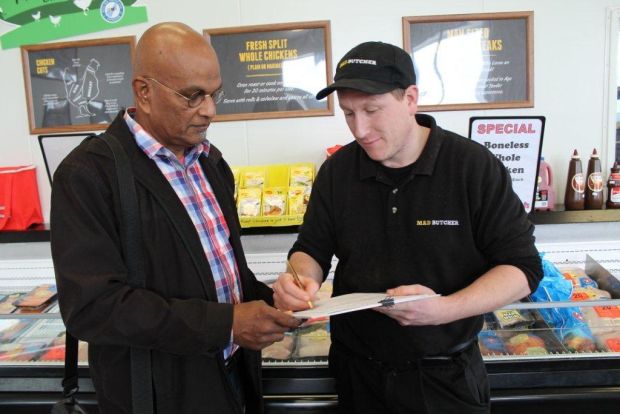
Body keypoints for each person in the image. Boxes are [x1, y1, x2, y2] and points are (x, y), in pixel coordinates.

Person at [272, 41, 543, 414]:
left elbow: (523, 269)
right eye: (349, 113)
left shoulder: (472, 167)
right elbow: (311, 248)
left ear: (411, 99)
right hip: (358, 375)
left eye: (372, 110)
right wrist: (301, 279)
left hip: (445, 378)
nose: (360, 129)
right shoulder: (338, 171)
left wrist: (445, 309)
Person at [51, 22, 300, 414]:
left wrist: (274, 302)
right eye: (192, 96)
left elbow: (220, 274)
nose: (210, 110)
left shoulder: (212, 164)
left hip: (234, 376)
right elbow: (92, 309)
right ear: (144, 92)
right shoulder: (88, 175)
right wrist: (227, 324)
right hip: (159, 394)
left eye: (215, 93)